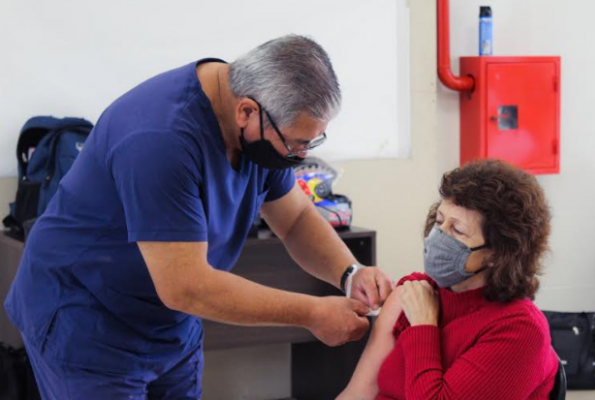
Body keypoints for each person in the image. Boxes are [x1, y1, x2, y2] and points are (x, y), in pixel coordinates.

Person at [4, 35, 393, 399]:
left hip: (168, 319)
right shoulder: (159, 139)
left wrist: (349, 272)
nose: (300, 154)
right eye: (297, 142)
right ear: (246, 112)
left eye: (311, 143)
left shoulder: (261, 123)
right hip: (85, 315)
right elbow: (186, 286)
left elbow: (294, 219)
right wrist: (311, 313)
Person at [337, 159, 558, 400]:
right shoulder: (414, 291)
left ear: (496, 254)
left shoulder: (519, 330)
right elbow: (359, 393)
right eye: (440, 221)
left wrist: (423, 327)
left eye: (458, 231)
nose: (439, 237)